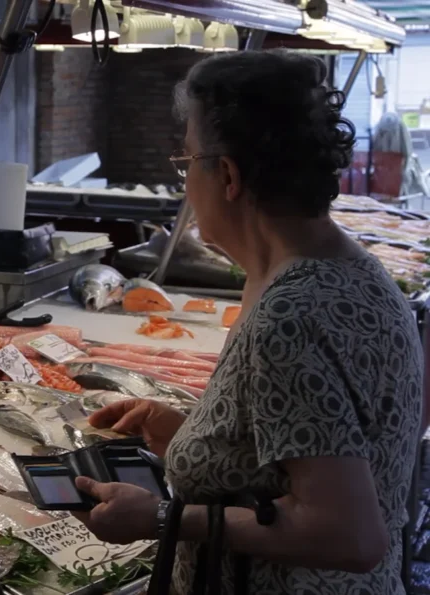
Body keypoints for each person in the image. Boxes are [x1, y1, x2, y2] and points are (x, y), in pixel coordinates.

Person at [74, 50, 421, 594]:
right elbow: (317, 450)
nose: (187, 182)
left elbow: (348, 534)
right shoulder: (353, 272)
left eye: (187, 164)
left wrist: (161, 518)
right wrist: (196, 437)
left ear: (228, 175)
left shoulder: (293, 312)